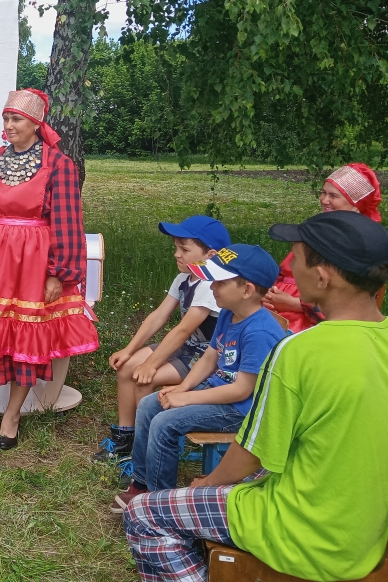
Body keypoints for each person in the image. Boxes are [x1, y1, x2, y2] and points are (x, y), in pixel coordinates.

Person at [123, 211, 388, 582]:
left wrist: (208, 483)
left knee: (142, 514)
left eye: (295, 260)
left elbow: (253, 452)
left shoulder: (298, 352)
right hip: (364, 535)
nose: (289, 270)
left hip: (300, 530)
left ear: (322, 277)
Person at [0, 89, 99, 450]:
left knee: (22, 336)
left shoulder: (58, 165)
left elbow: (67, 223)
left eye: (17, 119)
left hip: (31, 263)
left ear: (36, 123)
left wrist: (58, 273)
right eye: (6, 118)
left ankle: (11, 416)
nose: (9, 125)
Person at [111, 244, 285, 514]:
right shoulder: (228, 313)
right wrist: (182, 388)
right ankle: (142, 483)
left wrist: (187, 398)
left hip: (241, 410)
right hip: (218, 391)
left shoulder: (259, 332)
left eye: (219, 282)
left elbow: (242, 390)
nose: (212, 287)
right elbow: (209, 358)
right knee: (148, 405)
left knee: (165, 423)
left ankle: (160, 504)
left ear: (247, 290)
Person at [93, 216, 230, 467]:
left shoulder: (209, 285)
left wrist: (150, 365)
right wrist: (129, 349)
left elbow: (182, 330)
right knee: (126, 367)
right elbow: (158, 316)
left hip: (208, 358)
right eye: (176, 248)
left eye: (184, 249)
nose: (177, 254)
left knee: (145, 376)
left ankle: (144, 450)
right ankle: (125, 437)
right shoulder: (184, 278)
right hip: (189, 348)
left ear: (210, 255)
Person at [263, 162, 382, 332]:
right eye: (323, 192)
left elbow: (348, 300)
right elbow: (285, 270)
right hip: (278, 306)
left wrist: (295, 304)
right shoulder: (319, 230)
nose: (324, 200)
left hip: (308, 319)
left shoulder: (357, 245)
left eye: (333, 195)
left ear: (356, 203)